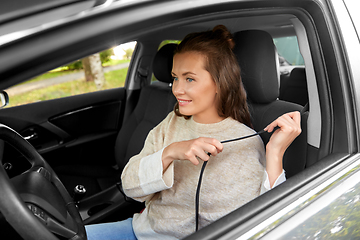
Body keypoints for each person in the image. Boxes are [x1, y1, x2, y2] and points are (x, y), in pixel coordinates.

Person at [85, 25, 301, 240]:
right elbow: (131, 186)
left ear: (220, 83)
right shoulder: (172, 121)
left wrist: (274, 152)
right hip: (141, 230)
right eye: (175, 77)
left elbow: (267, 222)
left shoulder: (246, 142)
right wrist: (170, 153)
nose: (177, 89)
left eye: (189, 79)